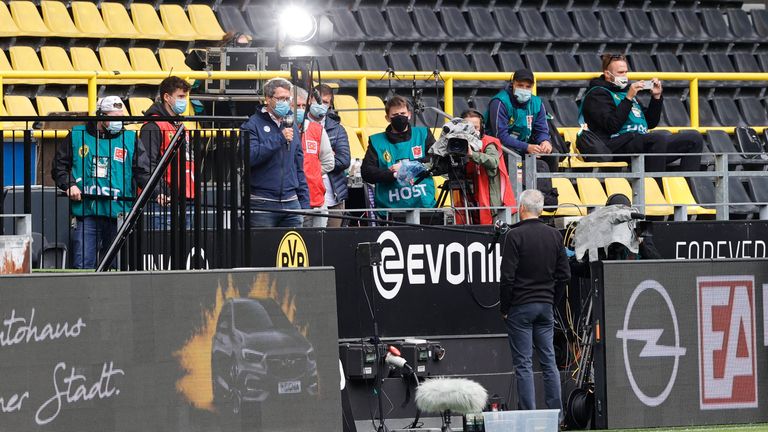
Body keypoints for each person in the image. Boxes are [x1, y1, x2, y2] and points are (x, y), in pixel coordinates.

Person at [52, 96, 149, 269]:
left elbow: (143, 172)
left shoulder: (130, 138)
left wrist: (159, 192)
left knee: (116, 266)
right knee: (83, 265)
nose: (119, 121)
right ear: (101, 116)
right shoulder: (77, 135)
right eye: (115, 117)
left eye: (121, 116)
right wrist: (69, 184)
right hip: (86, 211)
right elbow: (59, 166)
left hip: (119, 212)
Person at [499, 189, 570, 418]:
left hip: (520, 307)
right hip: (545, 306)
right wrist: (552, 302)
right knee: (549, 362)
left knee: (524, 364)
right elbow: (565, 275)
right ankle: (556, 417)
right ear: (540, 210)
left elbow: (507, 277)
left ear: (521, 208)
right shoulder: (555, 235)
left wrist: (505, 308)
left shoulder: (514, 236)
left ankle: (528, 417)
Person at [581, 54, 703, 176]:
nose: (624, 76)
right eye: (620, 72)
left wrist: (656, 97)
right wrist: (628, 98)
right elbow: (612, 126)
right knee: (656, 139)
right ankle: (655, 185)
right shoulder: (597, 94)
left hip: (638, 141)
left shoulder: (625, 92)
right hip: (615, 145)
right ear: (608, 74)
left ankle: (689, 184)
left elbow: (650, 122)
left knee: (694, 138)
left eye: (626, 72)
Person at [241, 77, 309, 227]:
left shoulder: (291, 125)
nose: (285, 102)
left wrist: (304, 201)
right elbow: (249, 157)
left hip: (291, 202)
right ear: (268, 98)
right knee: (263, 242)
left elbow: (298, 165)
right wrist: (279, 138)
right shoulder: (252, 125)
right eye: (280, 98)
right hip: (262, 202)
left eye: (287, 98)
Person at [486, 68, 558, 206]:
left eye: (528, 86)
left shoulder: (537, 103)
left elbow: (542, 129)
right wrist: (527, 147)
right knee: (515, 159)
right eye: (520, 85)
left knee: (551, 156)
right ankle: (521, 201)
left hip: (525, 147)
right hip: (501, 148)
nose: (524, 89)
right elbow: (500, 136)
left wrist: (545, 141)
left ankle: (546, 200)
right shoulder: (500, 102)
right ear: (513, 83)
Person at [361, 95, 436, 213]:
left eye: (402, 113)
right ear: (387, 118)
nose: (399, 117)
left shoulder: (423, 134)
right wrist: (395, 174)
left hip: (424, 206)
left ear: (409, 114)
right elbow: (367, 172)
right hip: (390, 209)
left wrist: (407, 166)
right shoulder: (376, 141)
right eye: (395, 115)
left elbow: (436, 161)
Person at [139, 76, 194, 229]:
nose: (184, 101)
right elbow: (146, 165)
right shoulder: (153, 125)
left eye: (185, 96)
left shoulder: (180, 125)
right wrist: (161, 192)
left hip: (185, 198)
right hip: (163, 201)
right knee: (161, 243)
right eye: (180, 96)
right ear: (167, 97)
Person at [460, 109, 516, 224]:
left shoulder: (488, 142)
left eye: (475, 127)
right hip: (474, 197)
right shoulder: (457, 143)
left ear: (482, 128)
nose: (471, 130)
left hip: (494, 204)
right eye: (467, 127)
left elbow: (493, 162)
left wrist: (472, 154)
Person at [293, 86, 334, 228]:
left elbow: (329, 162)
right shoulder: (281, 131)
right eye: (296, 106)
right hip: (291, 201)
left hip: (316, 200)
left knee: (319, 240)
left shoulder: (317, 129)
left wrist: (312, 172)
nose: (300, 109)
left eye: (303, 106)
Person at [314, 84, 351, 228]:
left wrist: (312, 161)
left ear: (330, 104)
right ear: (310, 100)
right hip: (308, 198)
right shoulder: (300, 126)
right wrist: (328, 156)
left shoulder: (337, 129)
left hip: (334, 198)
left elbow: (344, 160)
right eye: (318, 101)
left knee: (333, 239)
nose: (321, 105)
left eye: (325, 102)